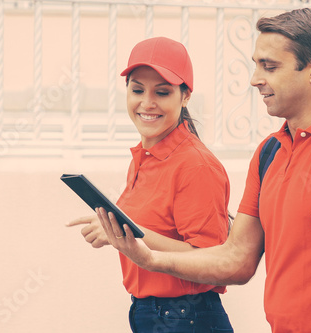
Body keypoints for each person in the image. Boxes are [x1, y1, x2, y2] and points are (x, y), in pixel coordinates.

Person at [97, 8, 311, 333]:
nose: (254, 79)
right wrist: (150, 259)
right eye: (256, 65)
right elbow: (237, 258)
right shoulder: (269, 152)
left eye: (269, 67)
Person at [67, 36, 234, 333]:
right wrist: (117, 227)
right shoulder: (143, 157)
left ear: (185, 97)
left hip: (186, 318)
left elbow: (213, 261)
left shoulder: (195, 165)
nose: (147, 103)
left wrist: (123, 230)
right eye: (137, 90)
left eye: (162, 92)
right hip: (150, 313)